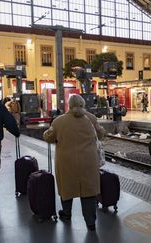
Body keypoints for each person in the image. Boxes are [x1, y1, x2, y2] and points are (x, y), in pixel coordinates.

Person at [43, 94, 106, 231]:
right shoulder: (91, 118)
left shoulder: (59, 121)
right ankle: (90, 223)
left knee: (66, 188)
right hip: (88, 162)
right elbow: (101, 134)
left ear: (69, 105)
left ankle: (66, 214)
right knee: (88, 192)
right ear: (83, 104)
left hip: (66, 162)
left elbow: (48, 137)